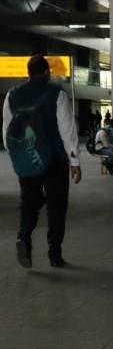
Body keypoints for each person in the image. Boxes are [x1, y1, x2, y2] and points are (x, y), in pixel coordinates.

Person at [2, 55, 82, 268]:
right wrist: (75, 162)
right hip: (55, 160)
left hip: (28, 159)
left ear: (28, 73)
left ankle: (23, 237)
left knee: (28, 202)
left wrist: (18, 156)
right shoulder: (57, 95)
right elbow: (67, 131)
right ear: (47, 72)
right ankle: (54, 254)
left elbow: (7, 131)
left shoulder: (12, 95)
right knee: (57, 206)